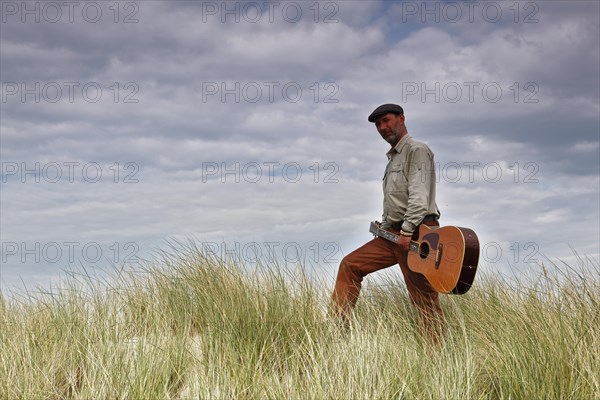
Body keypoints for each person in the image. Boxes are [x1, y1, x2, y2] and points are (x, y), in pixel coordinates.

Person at [331, 103, 444, 340]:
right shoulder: (392, 159)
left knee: (423, 299)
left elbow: (419, 196)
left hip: (417, 234)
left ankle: (438, 358)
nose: (383, 128)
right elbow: (396, 200)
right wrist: (385, 228)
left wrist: (406, 232)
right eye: (378, 125)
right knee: (350, 266)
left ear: (402, 118)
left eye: (387, 121)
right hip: (392, 235)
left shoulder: (417, 150)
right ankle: (337, 332)